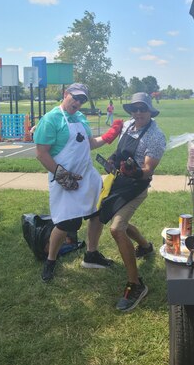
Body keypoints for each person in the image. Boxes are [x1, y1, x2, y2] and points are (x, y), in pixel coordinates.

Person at [33, 83, 123, 282]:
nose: (78, 102)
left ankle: (91, 254)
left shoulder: (80, 118)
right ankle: (51, 260)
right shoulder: (51, 119)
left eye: (82, 99)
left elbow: (89, 144)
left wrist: (110, 135)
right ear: (65, 94)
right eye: (75, 97)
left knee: (97, 214)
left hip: (87, 177)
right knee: (66, 223)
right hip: (64, 179)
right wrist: (63, 177)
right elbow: (41, 153)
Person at [100, 92, 166, 312]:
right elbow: (120, 152)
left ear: (149, 111)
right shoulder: (128, 126)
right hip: (119, 182)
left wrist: (135, 171)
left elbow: (147, 171)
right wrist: (113, 159)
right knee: (119, 218)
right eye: (134, 109)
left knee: (117, 229)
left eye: (142, 109)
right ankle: (146, 247)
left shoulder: (156, 136)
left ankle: (136, 285)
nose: (138, 113)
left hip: (136, 187)